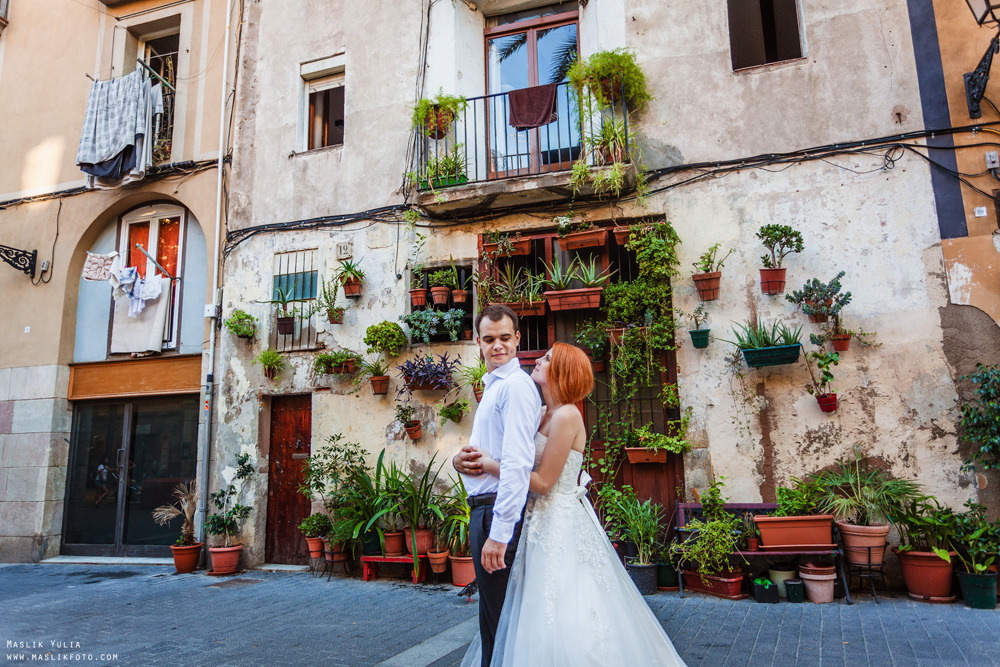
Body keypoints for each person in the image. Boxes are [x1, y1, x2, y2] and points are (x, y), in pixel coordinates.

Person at [461, 342, 686, 666]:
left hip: (558, 520)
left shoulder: (567, 415)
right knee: (531, 606)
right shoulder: (541, 412)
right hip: (534, 519)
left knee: (565, 604)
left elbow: (543, 482)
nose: (538, 360)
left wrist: (490, 464)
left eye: (547, 358)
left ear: (561, 372)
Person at [453, 304, 542, 667]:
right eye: (489, 339)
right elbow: (487, 453)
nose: (498, 346)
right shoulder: (494, 387)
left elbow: (518, 465)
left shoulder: (516, 387)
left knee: (500, 622)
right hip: (485, 508)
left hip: (496, 512)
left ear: (517, 338)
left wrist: (501, 533)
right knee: (494, 621)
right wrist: (458, 463)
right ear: (478, 342)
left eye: (505, 337)